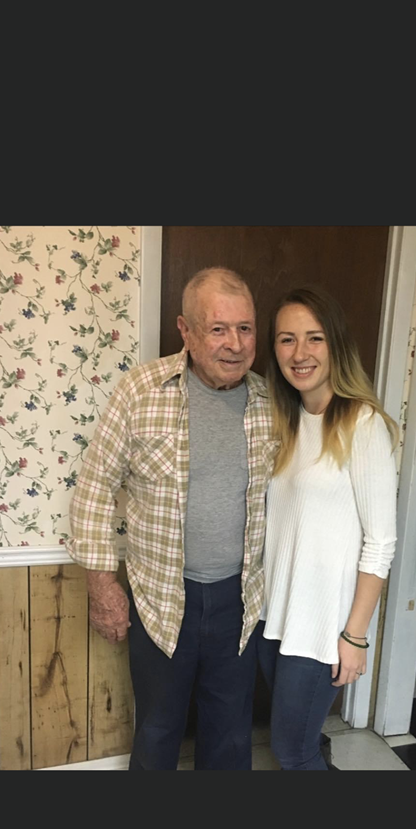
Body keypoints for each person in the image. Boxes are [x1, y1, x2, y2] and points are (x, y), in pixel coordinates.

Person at [67, 267, 276, 770]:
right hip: (160, 598)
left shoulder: (270, 402)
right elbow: (94, 487)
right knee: (159, 728)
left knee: (229, 736)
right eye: (217, 328)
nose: (234, 344)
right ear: (185, 330)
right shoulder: (140, 390)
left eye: (245, 328)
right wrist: (102, 585)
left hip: (239, 602)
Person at [258, 286, 398, 770]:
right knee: (305, 738)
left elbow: (380, 544)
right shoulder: (284, 420)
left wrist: (355, 636)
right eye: (286, 339)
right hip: (273, 617)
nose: (300, 354)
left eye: (314, 338)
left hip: (321, 628)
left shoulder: (362, 424)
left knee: (291, 751)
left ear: (335, 343)